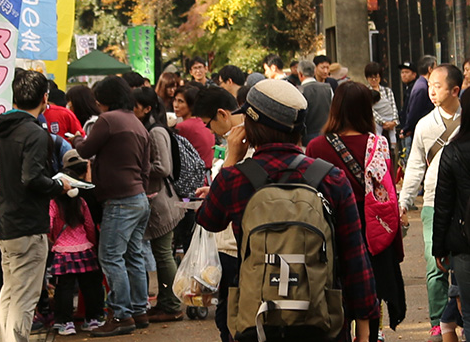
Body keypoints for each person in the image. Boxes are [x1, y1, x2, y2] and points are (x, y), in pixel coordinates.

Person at [196, 79, 379, 342]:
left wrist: (231, 159)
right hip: (322, 321)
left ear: (251, 126)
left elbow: (208, 220)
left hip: (257, 320)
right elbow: (355, 257)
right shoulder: (331, 179)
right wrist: (364, 326)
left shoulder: (234, 179)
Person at [306, 81, 406, 342]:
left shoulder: (317, 147)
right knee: (369, 297)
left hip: (333, 233)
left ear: (335, 108)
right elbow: (387, 195)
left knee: (336, 298)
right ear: (366, 110)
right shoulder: (379, 144)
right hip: (373, 234)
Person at [0, 70, 71, 342]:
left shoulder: (2, 130)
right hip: (27, 225)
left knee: (10, 293)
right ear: (45, 98)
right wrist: (60, 186)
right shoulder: (35, 134)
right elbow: (32, 178)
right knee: (24, 299)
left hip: (5, 223)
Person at [71, 75, 151, 337]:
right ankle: (139, 311)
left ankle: (121, 315)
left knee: (110, 257)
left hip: (119, 200)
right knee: (133, 256)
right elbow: (146, 167)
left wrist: (75, 141)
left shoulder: (108, 120)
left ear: (103, 100)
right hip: (139, 197)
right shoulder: (137, 123)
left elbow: (85, 150)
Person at [399, 64, 463, 342]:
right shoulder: (425, 124)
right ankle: (438, 322)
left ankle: (458, 316)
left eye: (438, 86)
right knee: (435, 264)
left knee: (462, 264)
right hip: (434, 203)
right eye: (431, 86)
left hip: (463, 203)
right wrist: (404, 202)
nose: (432, 91)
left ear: (455, 90)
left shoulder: (467, 119)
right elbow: (414, 167)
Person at [193, 86, 251, 342]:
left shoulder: (241, 143)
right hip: (235, 243)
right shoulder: (239, 138)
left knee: (231, 317)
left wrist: (220, 184)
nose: (209, 130)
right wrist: (215, 188)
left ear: (222, 114)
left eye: (208, 124)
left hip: (235, 245)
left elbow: (233, 188)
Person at [132, 87, 185, 323]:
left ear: (147, 108)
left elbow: (163, 168)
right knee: (162, 253)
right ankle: (166, 302)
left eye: (135, 106)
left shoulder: (155, 132)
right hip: (158, 199)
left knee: (163, 255)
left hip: (160, 202)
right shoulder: (151, 129)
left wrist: (136, 168)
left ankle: (172, 304)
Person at [433, 88, 470, 341]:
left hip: (464, 242)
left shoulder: (453, 150)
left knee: (468, 312)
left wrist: (439, 248)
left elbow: (443, 205)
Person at [49, 179, 103, 335]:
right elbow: (89, 225)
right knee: (88, 287)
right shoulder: (81, 202)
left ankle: (66, 323)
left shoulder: (54, 203)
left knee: (65, 288)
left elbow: (50, 225)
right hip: (85, 249)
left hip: (63, 250)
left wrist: (53, 239)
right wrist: (92, 243)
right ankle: (92, 319)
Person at [173, 85, 215, 171]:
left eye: (181, 101)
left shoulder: (183, 127)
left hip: (193, 178)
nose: (176, 105)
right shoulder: (203, 122)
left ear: (191, 105)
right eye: (175, 100)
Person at [400, 55, 437, 140]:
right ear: (430, 69)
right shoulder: (421, 87)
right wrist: (408, 128)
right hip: (422, 131)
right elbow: (414, 111)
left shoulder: (423, 84)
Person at [297, 60, 333, 147]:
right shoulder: (328, 88)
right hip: (327, 134)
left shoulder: (299, 91)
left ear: (300, 74)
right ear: (314, 72)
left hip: (307, 137)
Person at [364, 62, 399, 150]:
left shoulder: (387, 91)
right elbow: (370, 110)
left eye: (376, 77)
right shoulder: (365, 92)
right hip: (376, 125)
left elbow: (393, 106)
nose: (374, 80)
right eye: (371, 77)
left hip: (390, 123)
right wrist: (383, 122)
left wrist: (394, 121)